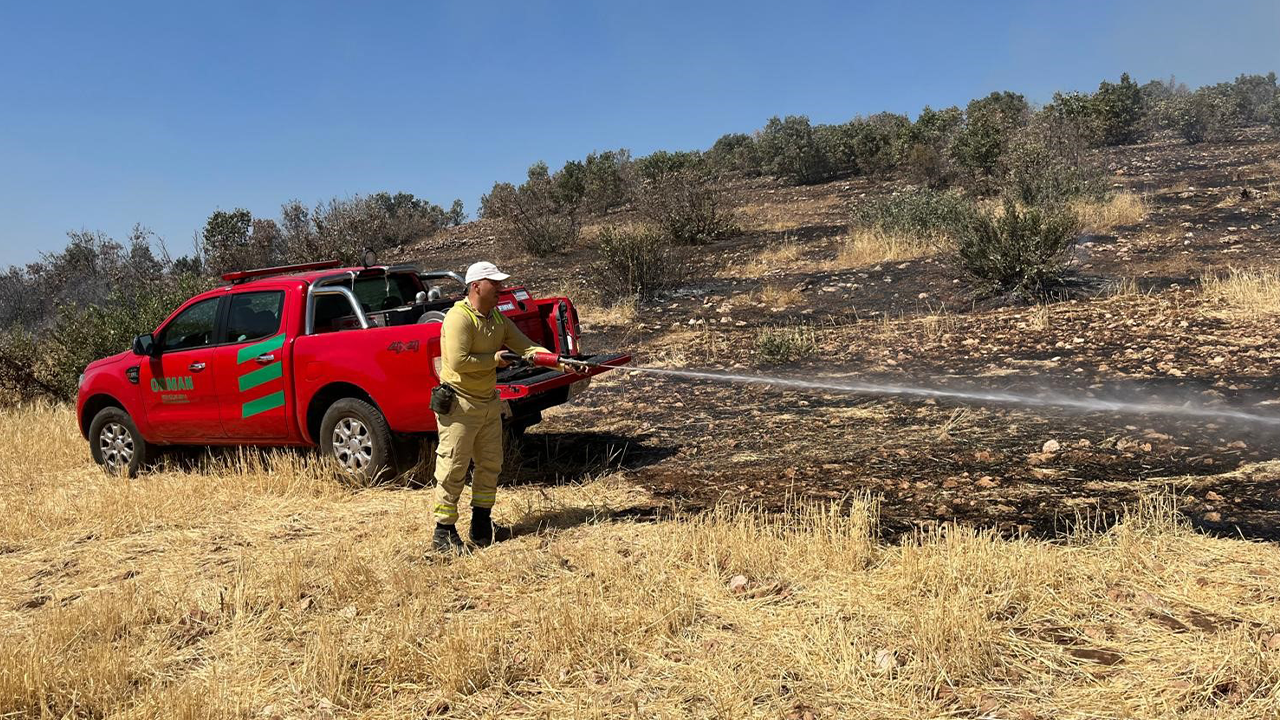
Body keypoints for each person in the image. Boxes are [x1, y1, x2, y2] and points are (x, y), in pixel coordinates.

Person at [431, 261, 581, 554]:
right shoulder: (458, 319)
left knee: (490, 465)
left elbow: (526, 347)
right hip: (460, 404)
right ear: (476, 286)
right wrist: (495, 361)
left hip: (487, 403)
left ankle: (482, 525)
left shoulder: (497, 319)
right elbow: (459, 361)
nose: (501, 289)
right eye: (495, 283)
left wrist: (561, 361)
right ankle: (443, 533)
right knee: (452, 468)